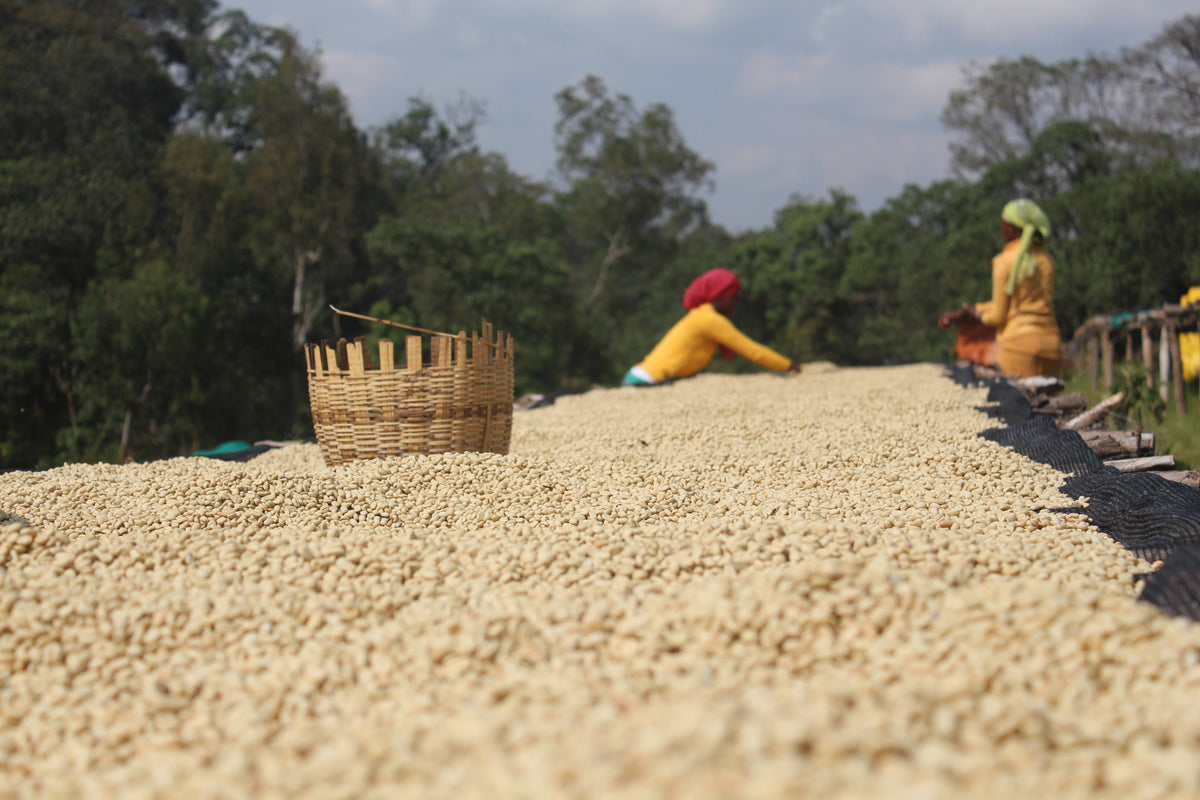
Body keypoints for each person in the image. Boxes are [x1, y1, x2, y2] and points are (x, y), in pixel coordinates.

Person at [939, 199, 1063, 378]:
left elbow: (998, 316)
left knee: (1016, 403)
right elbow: (1018, 303)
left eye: (1004, 225)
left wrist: (975, 316)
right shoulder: (1046, 260)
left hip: (1017, 347)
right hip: (1052, 347)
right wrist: (978, 309)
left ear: (1013, 228)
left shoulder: (1003, 261)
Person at [622, 268, 802, 386]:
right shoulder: (710, 320)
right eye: (733, 296)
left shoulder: (700, 315)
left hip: (638, 376)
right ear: (721, 296)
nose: (736, 303)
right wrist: (788, 365)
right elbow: (752, 351)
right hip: (646, 381)